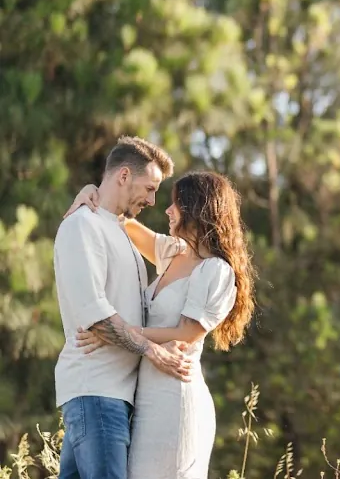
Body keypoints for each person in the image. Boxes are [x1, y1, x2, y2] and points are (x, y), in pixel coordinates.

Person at [65, 169, 257, 478]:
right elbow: (121, 220)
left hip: (175, 397)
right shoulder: (174, 253)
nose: (167, 210)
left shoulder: (216, 271)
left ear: (197, 209)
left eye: (176, 203)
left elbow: (186, 334)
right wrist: (90, 190)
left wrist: (118, 332)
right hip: (145, 395)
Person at [53, 135, 192, 479]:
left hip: (115, 394)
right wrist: (152, 350)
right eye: (150, 188)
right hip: (97, 391)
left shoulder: (118, 229)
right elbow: (96, 317)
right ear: (124, 175)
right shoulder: (82, 225)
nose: (153, 199)